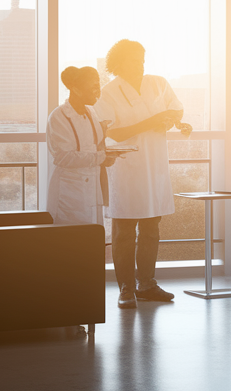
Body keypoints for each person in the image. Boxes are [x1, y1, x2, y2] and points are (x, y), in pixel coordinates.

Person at [97, 40, 191, 309]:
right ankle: (126, 288)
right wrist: (152, 121)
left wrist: (175, 119)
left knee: (151, 227)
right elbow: (113, 132)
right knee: (124, 230)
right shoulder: (109, 92)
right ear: (118, 63)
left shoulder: (158, 82)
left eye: (142, 58)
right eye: (134, 59)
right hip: (126, 166)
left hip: (155, 164)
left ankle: (147, 284)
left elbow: (176, 108)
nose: (141, 64)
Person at [47, 66, 124, 226]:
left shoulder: (91, 113)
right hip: (69, 191)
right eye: (94, 86)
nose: (98, 91)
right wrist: (101, 158)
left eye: (98, 85)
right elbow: (64, 157)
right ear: (76, 89)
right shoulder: (59, 116)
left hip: (91, 188)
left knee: (91, 239)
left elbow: (93, 148)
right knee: (70, 242)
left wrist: (106, 143)